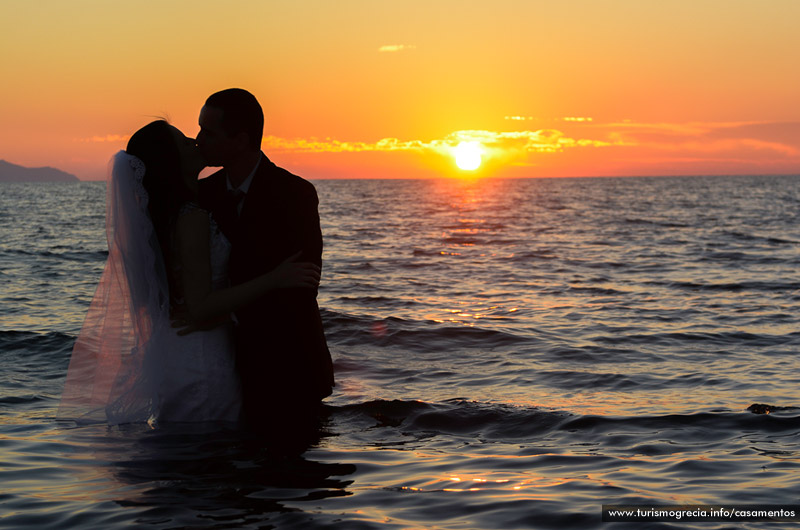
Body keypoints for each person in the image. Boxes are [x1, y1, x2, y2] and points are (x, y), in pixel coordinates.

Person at [59, 120, 320, 425]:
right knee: (207, 447)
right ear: (171, 161)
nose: (196, 142)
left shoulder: (162, 216)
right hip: (200, 350)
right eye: (185, 142)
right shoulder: (191, 216)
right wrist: (275, 278)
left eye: (201, 133)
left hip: (175, 347)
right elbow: (199, 307)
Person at [196, 89, 334, 438]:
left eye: (208, 132)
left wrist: (223, 311)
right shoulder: (202, 194)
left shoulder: (296, 194)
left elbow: (302, 284)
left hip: (289, 365)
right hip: (221, 366)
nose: (198, 140)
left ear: (241, 139)